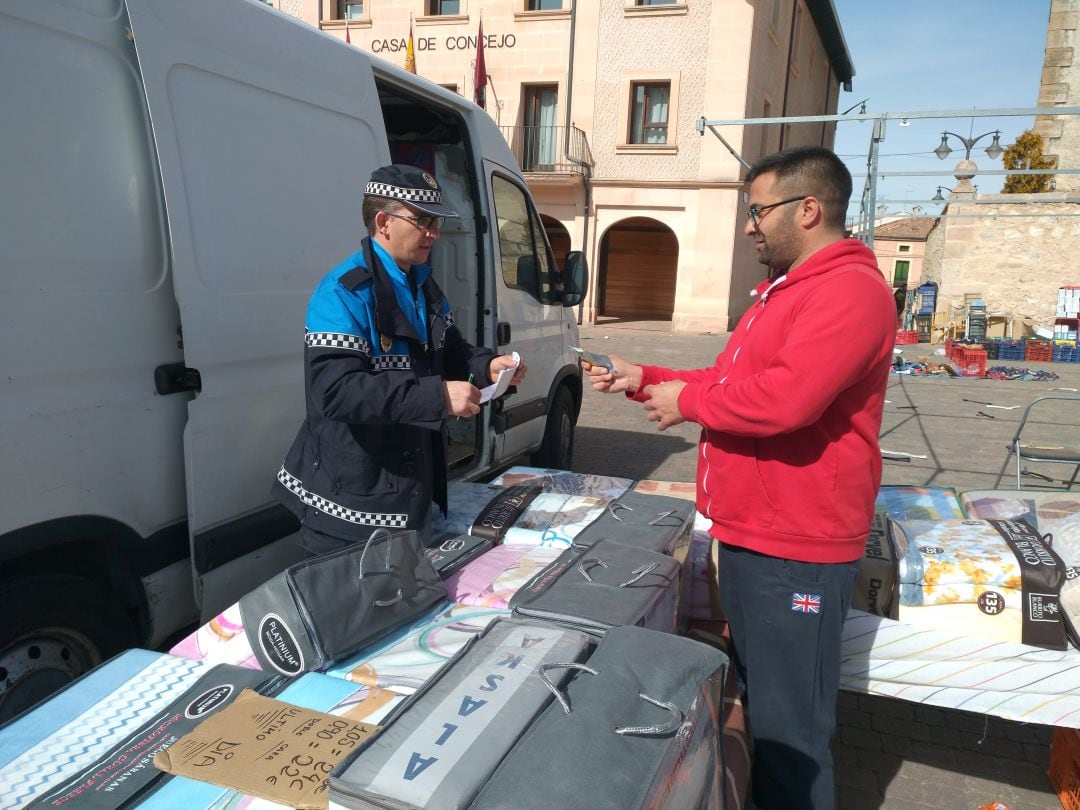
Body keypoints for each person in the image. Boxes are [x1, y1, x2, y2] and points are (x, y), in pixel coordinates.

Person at [587, 146, 895, 809]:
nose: (750, 226)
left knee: (792, 731)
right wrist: (646, 378)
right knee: (763, 699)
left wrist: (689, 403)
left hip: (798, 549)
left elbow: (785, 400)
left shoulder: (848, 291)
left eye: (758, 211)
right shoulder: (785, 292)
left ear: (808, 209)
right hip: (758, 535)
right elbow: (729, 383)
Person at [273, 164, 526, 557]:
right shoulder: (342, 293)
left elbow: (450, 349)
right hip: (351, 508)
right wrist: (439, 398)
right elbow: (335, 392)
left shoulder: (422, 284)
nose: (434, 233)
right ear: (383, 222)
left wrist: (486, 366)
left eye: (436, 222)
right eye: (422, 221)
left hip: (408, 493)